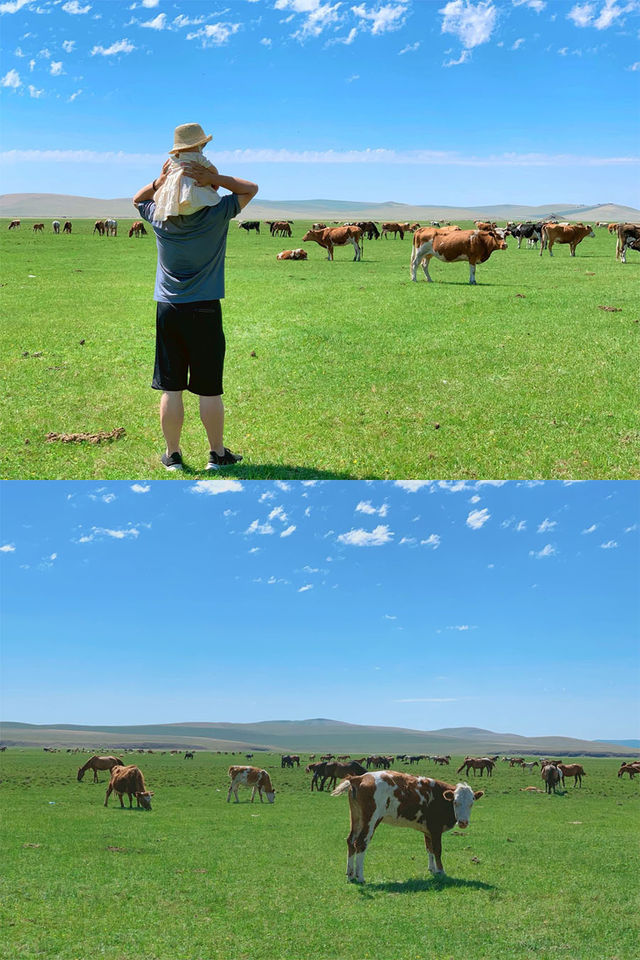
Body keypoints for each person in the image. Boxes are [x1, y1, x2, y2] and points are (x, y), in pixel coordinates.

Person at [133, 122, 258, 471]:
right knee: (209, 390)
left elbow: (137, 199)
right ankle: (217, 455)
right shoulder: (217, 213)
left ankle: (172, 455)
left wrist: (160, 182)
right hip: (205, 308)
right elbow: (250, 188)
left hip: (168, 308)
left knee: (171, 389)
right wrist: (213, 180)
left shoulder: (159, 217)